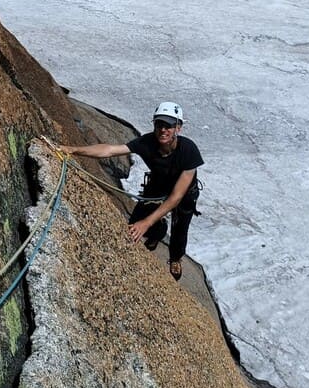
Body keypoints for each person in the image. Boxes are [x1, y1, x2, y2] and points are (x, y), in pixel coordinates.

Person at [61, 101, 204, 280]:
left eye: (169, 126)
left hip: (184, 195)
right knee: (137, 220)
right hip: (158, 185)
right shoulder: (147, 142)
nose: (163, 130)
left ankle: (175, 258)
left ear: (178, 128)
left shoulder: (189, 151)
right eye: (159, 124)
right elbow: (110, 150)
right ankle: (158, 232)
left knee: (180, 228)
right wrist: (73, 150)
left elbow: (176, 197)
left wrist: (147, 222)